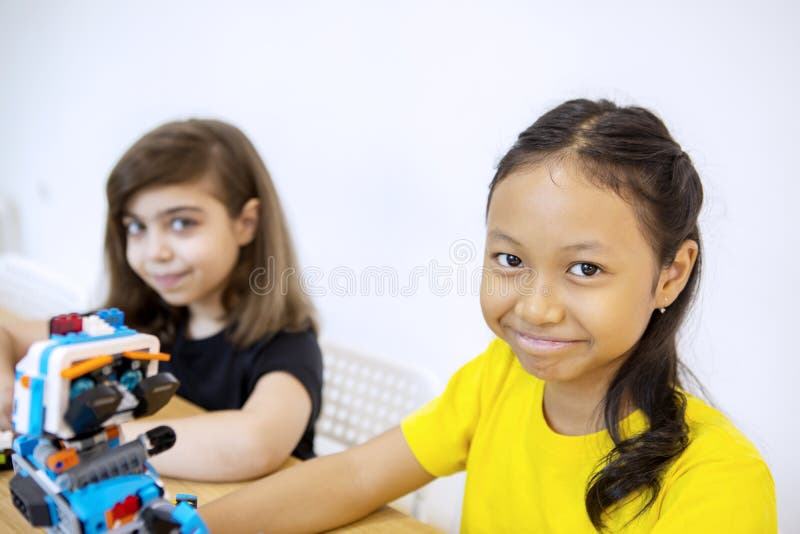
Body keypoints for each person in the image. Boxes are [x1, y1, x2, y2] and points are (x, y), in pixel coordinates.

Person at [199, 99, 777, 532]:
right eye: (510, 259)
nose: (533, 308)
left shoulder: (721, 480)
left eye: (585, 269)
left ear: (670, 274)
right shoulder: (501, 376)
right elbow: (352, 477)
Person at [0, 119, 323, 482]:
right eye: (136, 226)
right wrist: (9, 393)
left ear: (246, 222)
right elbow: (6, 335)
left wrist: (84, 441)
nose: (155, 252)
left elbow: (253, 444)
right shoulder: (142, 316)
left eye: (182, 223)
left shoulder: (290, 342)